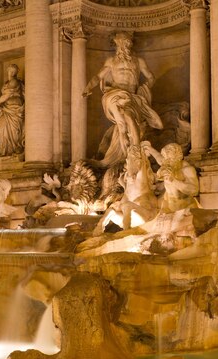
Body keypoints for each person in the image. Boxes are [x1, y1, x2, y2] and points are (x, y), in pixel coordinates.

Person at [83, 32, 163, 168]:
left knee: (129, 116)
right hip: (115, 93)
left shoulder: (139, 61)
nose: (126, 45)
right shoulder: (111, 61)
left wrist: (144, 88)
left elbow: (150, 77)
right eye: (122, 42)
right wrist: (88, 87)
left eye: (128, 42)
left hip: (132, 96)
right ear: (117, 44)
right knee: (123, 115)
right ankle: (134, 148)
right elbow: (98, 76)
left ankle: (132, 148)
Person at [94, 144, 158, 234]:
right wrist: (124, 184)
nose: (127, 162)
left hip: (147, 217)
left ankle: (125, 231)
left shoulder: (142, 180)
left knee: (127, 206)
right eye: (128, 160)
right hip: (132, 217)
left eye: (129, 159)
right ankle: (99, 227)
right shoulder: (130, 181)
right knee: (111, 211)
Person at [142, 141, 199, 214]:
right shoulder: (169, 164)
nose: (166, 161)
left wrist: (173, 181)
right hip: (168, 207)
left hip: (185, 208)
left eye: (169, 158)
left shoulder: (187, 169)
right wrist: (149, 148)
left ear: (178, 155)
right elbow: (158, 157)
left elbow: (194, 190)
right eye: (166, 158)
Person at [0, 64, 25, 157]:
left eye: (14, 71)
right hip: (6, 108)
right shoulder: (6, 83)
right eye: (10, 71)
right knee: (2, 127)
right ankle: (4, 151)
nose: (12, 73)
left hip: (15, 108)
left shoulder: (15, 82)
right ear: (7, 71)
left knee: (14, 130)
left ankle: (15, 147)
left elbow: (7, 95)